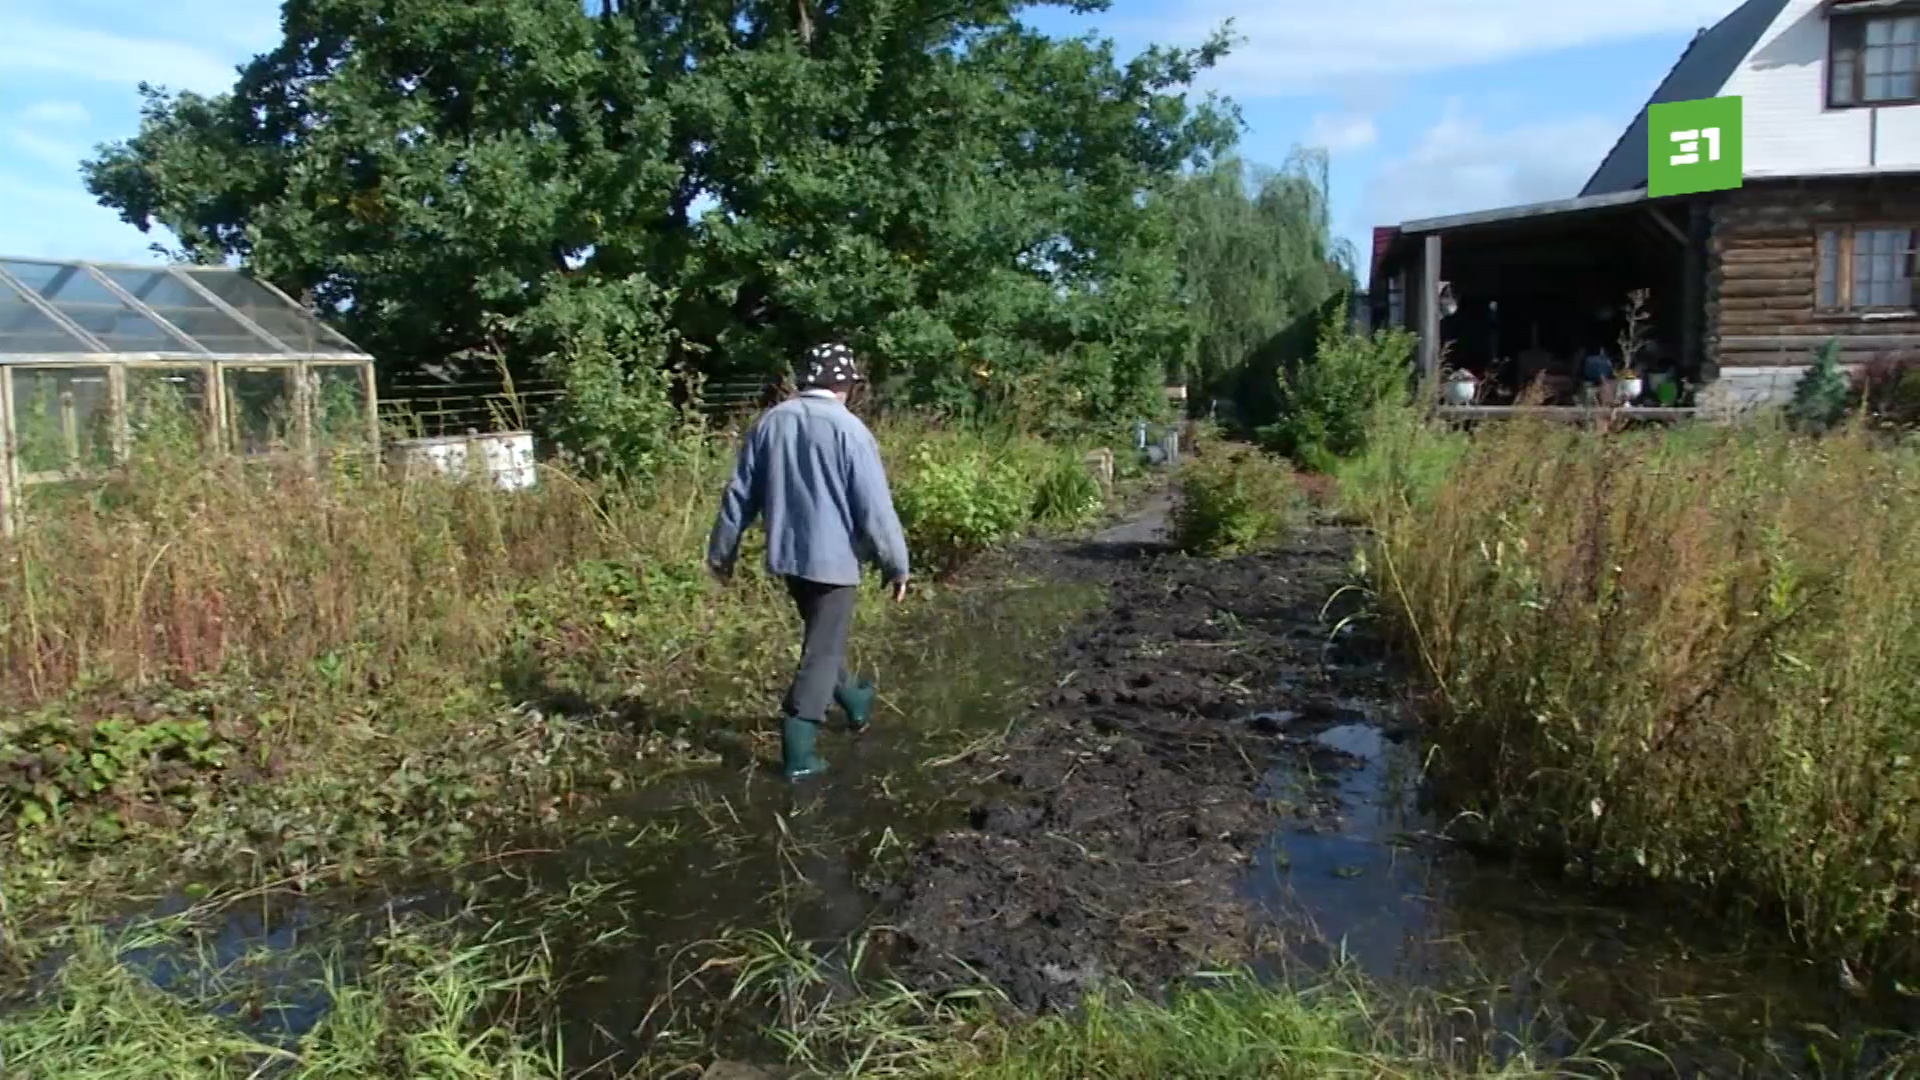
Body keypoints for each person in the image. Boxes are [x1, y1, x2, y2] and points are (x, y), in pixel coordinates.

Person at [706, 342, 912, 780]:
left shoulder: (770, 422)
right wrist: (897, 564)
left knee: (824, 639)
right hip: (833, 563)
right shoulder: (851, 431)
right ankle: (798, 750)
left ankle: (854, 700)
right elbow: (875, 507)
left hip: (787, 557)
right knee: (820, 652)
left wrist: (722, 551)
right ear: (845, 384)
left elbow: (739, 494)